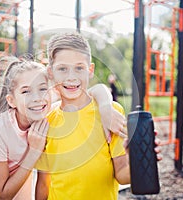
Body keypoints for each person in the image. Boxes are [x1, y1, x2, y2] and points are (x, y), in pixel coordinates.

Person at [0, 56, 123, 200]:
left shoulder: (48, 113)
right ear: (11, 101)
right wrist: (34, 151)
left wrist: (106, 105)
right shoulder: (0, 130)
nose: (37, 98)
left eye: (42, 89)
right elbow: (3, 193)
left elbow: (92, 90)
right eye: (25, 92)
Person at [35, 32, 161, 200]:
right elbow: (43, 182)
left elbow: (122, 175)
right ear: (51, 72)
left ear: (90, 70)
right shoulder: (46, 119)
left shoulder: (111, 114)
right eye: (62, 69)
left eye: (79, 68)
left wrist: (139, 161)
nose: (71, 76)